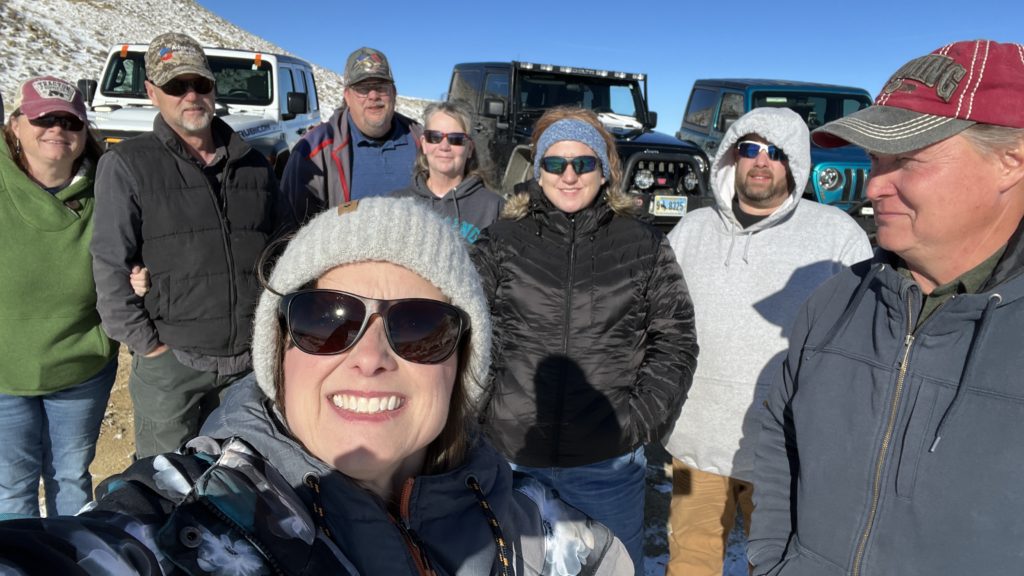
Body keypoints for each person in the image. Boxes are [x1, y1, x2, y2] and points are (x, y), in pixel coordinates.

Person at [0, 197, 634, 576]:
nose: (370, 357)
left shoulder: (546, 530)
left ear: (462, 364)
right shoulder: (183, 521)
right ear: (277, 350)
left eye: (419, 326)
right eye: (324, 319)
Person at [749, 39, 1024, 576]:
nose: (874, 186)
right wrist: (772, 562)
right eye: (875, 159)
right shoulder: (836, 302)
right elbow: (783, 449)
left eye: (906, 160)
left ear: (1010, 162)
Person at [472, 106, 699, 573]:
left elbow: (675, 341)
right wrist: (484, 409)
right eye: (555, 164)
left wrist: (635, 422)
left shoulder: (643, 244)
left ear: (605, 170)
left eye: (584, 163)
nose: (569, 175)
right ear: (539, 171)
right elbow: (468, 329)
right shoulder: (501, 240)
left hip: (606, 469)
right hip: (512, 459)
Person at [661, 107, 872, 575]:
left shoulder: (838, 237)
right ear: (730, 156)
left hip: (786, 452)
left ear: (796, 163)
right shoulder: (691, 231)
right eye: (750, 149)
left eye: (776, 153)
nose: (761, 162)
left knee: (781, 565)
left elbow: (863, 346)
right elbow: (656, 322)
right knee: (689, 563)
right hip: (696, 445)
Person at [90, 32, 293, 459]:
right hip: (172, 364)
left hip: (247, 366)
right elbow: (110, 264)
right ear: (151, 92)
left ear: (213, 88)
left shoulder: (254, 164)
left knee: (246, 482)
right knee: (167, 485)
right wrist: (148, 345)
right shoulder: (127, 165)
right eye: (175, 86)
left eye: (199, 84)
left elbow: (283, 253)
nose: (190, 96)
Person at [0, 76, 118, 517]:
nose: (57, 129)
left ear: (85, 132)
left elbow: (135, 253)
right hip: (5, 373)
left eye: (70, 121)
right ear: (15, 125)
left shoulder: (109, 189)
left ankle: (72, 559)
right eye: (43, 118)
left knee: (71, 478)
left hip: (82, 366)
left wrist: (137, 278)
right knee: (12, 489)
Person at [282, 46, 422, 220]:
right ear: (347, 96)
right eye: (363, 89)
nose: (373, 96)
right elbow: (291, 225)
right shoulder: (313, 150)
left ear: (393, 93)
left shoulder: (425, 141)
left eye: (381, 87)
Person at [393, 100, 504, 243]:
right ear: (424, 144)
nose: (444, 146)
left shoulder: (494, 208)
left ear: (469, 148)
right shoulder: (396, 204)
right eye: (435, 137)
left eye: (456, 139)